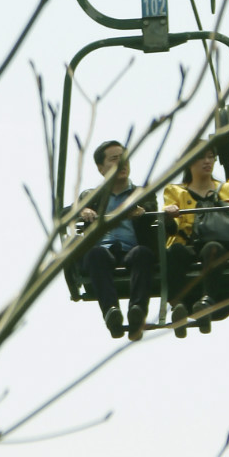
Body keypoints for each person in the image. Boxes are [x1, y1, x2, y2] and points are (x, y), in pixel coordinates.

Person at [163, 142, 229, 336]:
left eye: (211, 156)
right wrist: (169, 216)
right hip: (190, 245)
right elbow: (172, 225)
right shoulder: (176, 192)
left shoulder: (228, 188)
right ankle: (179, 305)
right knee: (174, 252)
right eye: (201, 157)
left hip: (219, 245)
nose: (207, 161)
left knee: (213, 248)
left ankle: (207, 301)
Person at [72, 140, 154, 342]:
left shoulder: (140, 194)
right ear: (101, 168)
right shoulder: (92, 196)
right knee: (95, 254)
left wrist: (143, 213)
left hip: (131, 249)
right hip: (104, 251)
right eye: (114, 159)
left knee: (143, 253)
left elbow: (153, 211)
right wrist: (83, 211)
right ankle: (111, 312)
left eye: (124, 158)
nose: (122, 163)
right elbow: (67, 213)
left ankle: (137, 310)